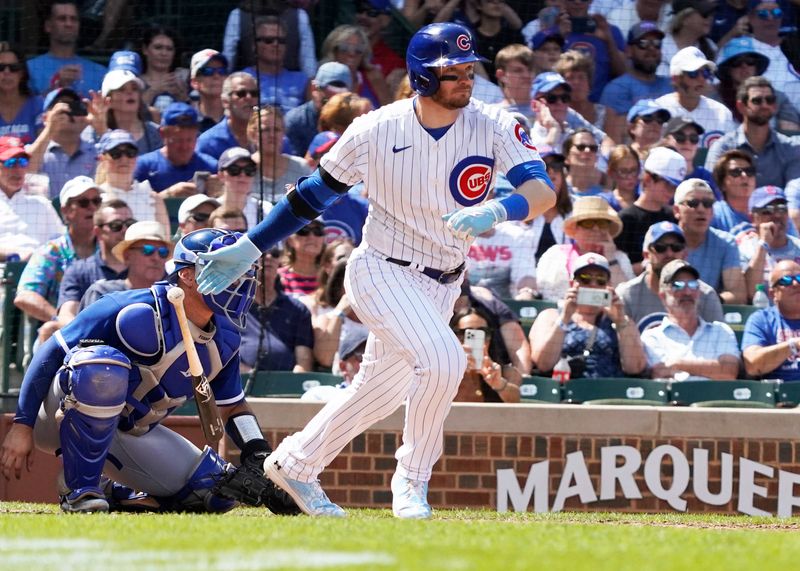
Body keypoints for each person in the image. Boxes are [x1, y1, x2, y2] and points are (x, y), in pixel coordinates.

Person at [193, 23, 556, 519]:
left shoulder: (493, 123)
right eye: (452, 71)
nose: (465, 79)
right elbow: (310, 197)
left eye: (469, 69)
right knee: (445, 361)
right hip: (383, 270)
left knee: (379, 391)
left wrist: (498, 210)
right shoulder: (374, 128)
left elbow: (542, 192)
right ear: (422, 76)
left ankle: (295, 463)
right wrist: (251, 246)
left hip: (446, 280)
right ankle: (411, 481)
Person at [0, 228, 297, 516]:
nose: (237, 278)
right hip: (54, 417)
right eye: (225, 268)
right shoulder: (132, 309)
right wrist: (21, 426)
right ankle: (80, 489)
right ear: (188, 275)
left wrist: (258, 454)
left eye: (239, 268)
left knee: (215, 492)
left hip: (132, 431)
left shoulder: (225, 336)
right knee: (102, 366)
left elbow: (232, 406)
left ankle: (113, 490)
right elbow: (51, 351)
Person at [14, 176, 102, 345]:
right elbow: (25, 296)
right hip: (57, 338)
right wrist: (65, 320)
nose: (92, 207)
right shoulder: (51, 251)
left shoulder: (109, 249)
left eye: (97, 201)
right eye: (84, 202)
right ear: (66, 211)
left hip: (103, 334)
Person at [530, 253, 647, 379]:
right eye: (585, 278)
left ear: (609, 285)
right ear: (572, 283)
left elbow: (635, 367)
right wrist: (565, 317)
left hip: (611, 392)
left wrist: (620, 322)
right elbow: (543, 364)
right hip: (565, 392)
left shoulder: (622, 321)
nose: (593, 284)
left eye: (600, 279)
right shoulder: (550, 316)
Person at [641, 259, 740, 380]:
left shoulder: (720, 331)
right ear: (663, 296)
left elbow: (729, 372)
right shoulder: (651, 337)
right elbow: (660, 373)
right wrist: (710, 369)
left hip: (715, 397)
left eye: (693, 285)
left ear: (698, 292)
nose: (687, 292)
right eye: (678, 285)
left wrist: (678, 364)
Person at [616, 221, 724, 328]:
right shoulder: (627, 294)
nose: (669, 253)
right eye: (660, 248)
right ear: (646, 255)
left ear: (685, 254)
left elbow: (719, 340)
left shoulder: (704, 294)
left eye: (676, 247)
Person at [705, 76, 800, 189]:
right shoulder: (723, 147)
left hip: (780, 206)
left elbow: (794, 193)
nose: (764, 105)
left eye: (769, 100)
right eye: (757, 101)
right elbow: (711, 190)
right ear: (741, 107)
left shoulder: (790, 148)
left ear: (774, 106)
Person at [537, 196, 633, 302]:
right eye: (588, 223)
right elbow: (543, 291)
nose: (596, 229)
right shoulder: (555, 254)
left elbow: (627, 296)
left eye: (602, 223)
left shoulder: (619, 258)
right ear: (576, 228)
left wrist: (610, 257)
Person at [56, 198, 133, 324]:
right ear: (98, 232)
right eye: (116, 225)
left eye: (130, 224)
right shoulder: (79, 270)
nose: (124, 230)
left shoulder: (145, 266)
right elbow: (66, 314)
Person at [673, 178, 747, 303]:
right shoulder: (664, 242)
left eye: (707, 204)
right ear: (676, 211)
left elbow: (738, 296)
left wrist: (705, 301)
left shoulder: (726, 243)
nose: (701, 209)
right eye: (693, 203)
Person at [600, 21, 673, 145]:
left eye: (656, 44)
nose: (651, 49)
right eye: (643, 44)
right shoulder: (617, 88)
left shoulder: (671, 85)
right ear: (628, 50)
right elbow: (612, 141)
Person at [615, 146, 685, 272]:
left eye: (675, 186)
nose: (672, 191)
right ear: (648, 179)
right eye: (667, 184)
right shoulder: (625, 219)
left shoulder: (673, 217)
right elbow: (618, 266)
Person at [712, 36, 800, 133]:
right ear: (727, 69)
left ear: (756, 66)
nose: (744, 66)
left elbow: (791, 133)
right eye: (736, 62)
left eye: (750, 62)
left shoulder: (777, 97)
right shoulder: (714, 101)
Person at [654, 47, 736, 148]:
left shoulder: (722, 112)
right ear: (675, 78)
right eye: (693, 73)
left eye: (705, 73)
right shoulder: (658, 109)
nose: (701, 79)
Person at [79, 220, 171, 309]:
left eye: (163, 252)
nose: (156, 258)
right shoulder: (102, 294)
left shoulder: (172, 298)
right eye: (147, 250)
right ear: (127, 256)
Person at [133, 102, 217, 197]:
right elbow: (132, 205)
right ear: (162, 134)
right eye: (177, 140)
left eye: (190, 140)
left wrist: (220, 193)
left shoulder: (210, 167)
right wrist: (168, 194)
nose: (184, 147)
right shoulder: (143, 167)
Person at [0, 136, 64, 260]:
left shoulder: (41, 204)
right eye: (11, 163)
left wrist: (37, 256)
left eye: (22, 163)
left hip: (37, 270)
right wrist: (12, 254)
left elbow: (60, 243)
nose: (18, 170)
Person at [26, 88, 97, 199]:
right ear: (45, 118)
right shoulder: (33, 151)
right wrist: (50, 129)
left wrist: (99, 125)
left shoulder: (95, 152)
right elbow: (25, 170)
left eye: (73, 107)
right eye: (60, 109)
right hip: (46, 215)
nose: (68, 113)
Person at [26, 0, 107, 97]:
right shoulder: (29, 69)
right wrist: (56, 87)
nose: (69, 24)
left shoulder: (100, 72)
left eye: (73, 19)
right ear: (48, 26)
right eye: (62, 19)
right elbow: (25, 110)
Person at [94, 130, 170, 232]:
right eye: (116, 153)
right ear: (102, 159)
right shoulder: (95, 199)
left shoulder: (152, 198)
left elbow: (165, 239)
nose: (124, 158)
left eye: (130, 152)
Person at [737, 185, 800, 299]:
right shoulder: (743, 248)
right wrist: (763, 244)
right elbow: (752, 293)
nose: (777, 215)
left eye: (782, 209)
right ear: (752, 218)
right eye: (768, 210)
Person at [742, 260, 800, 381]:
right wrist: (793, 345)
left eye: (799, 278)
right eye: (786, 280)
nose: (795, 284)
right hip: (778, 395)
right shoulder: (761, 319)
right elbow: (752, 365)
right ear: (772, 293)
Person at [450, 305, 522, 403]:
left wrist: (499, 383)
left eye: (483, 332)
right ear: (454, 336)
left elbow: (517, 405)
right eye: (465, 333)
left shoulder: (507, 373)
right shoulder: (445, 372)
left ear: (490, 337)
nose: (476, 341)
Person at [82, 69, 162, 155]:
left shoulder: (157, 132)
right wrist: (102, 133)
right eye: (121, 89)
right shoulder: (91, 133)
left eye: (134, 89)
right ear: (108, 100)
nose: (130, 92)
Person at [284, 62, 353, 158]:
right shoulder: (295, 120)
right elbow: (294, 166)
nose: (332, 106)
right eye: (327, 100)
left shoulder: (356, 120)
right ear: (314, 88)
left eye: (338, 100)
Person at [244, 16, 308, 115]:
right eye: (268, 40)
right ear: (254, 45)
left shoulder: (303, 81)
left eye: (281, 41)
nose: (276, 44)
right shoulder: (242, 79)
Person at [249, 106, 312, 206]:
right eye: (265, 130)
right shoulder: (243, 169)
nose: (272, 135)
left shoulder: (301, 167)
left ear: (283, 133)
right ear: (252, 134)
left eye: (277, 129)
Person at [320, 25, 392, 108]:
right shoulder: (320, 80)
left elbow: (389, 110)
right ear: (334, 51)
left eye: (358, 49)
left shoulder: (374, 77)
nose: (351, 54)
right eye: (345, 48)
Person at [196, 72, 258, 160]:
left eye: (254, 93)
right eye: (241, 93)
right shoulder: (208, 143)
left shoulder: (273, 137)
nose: (249, 97)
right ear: (225, 102)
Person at [658, 0, 718, 78]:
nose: (710, 18)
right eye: (705, 14)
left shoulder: (710, 47)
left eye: (711, 14)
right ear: (684, 19)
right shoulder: (661, 46)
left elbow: (714, 84)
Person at [216, 147, 271, 230]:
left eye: (249, 169)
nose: (242, 174)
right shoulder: (208, 207)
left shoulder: (266, 210)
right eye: (234, 169)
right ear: (221, 175)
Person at [138, 25, 190, 112]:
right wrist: (154, 90)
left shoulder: (184, 79)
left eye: (169, 49)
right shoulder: (135, 82)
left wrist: (184, 98)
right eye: (158, 47)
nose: (164, 53)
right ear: (145, 49)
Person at [661, 115, 717, 193]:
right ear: (666, 140)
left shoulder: (707, 177)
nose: (687, 142)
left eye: (693, 138)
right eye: (680, 137)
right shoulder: (657, 174)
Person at [0, 44, 44, 144]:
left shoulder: (37, 105)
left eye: (14, 68)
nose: (7, 72)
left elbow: (44, 148)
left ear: (22, 73)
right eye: (1, 67)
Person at [710, 148, 759, 235]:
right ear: (722, 184)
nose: (744, 175)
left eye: (749, 171)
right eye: (736, 172)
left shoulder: (769, 211)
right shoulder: (713, 214)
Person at [555, 50, 605, 131]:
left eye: (581, 77)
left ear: (589, 82)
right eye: (570, 78)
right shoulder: (555, 113)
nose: (576, 82)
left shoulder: (604, 113)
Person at [278, 219, 327, 297]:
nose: (312, 237)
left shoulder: (330, 277)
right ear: (290, 240)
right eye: (303, 230)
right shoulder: (278, 278)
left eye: (318, 231)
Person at [189, 49, 228, 133]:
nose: (216, 76)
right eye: (208, 71)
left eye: (221, 71)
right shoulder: (185, 119)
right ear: (194, 82)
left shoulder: (237, 117)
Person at [563, 128, 606, 198]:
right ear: (567, 156)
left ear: (597, 158)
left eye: (593, 148)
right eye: (581, 147)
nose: (587, 150)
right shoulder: (556, 191)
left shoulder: (607, 194)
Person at [602, 144, 640, 212]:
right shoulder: (604, 201)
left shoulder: (646, 201)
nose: (630, 176)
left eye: (634, 170)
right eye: (623, 171)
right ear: (611, 173)